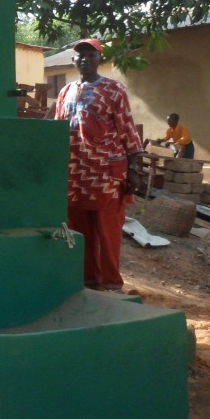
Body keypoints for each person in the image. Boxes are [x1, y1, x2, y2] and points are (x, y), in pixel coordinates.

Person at [54, 38, 143, 292]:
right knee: (80, 232)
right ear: (73, 60)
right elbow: (57, 130)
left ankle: (112, 284)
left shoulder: (115, 90)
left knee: (108, 232)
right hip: (74, 176)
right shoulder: (65, 91)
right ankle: (88, 283)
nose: (84, 59)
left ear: (99, 59)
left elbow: (127, 129)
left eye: (90, 55)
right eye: (80, 55)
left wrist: (134, 169)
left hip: (105, 175)